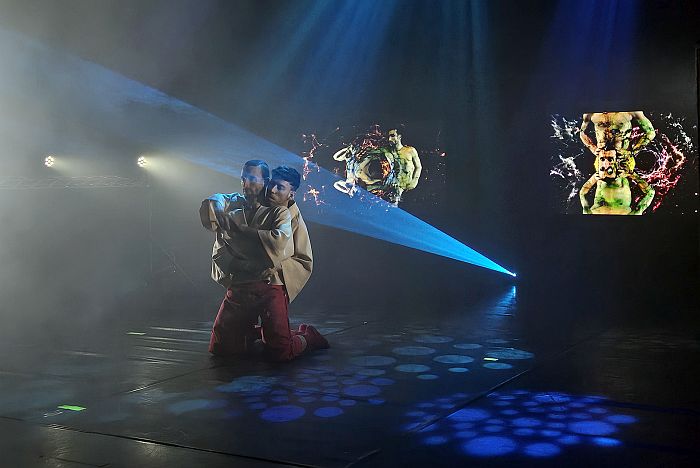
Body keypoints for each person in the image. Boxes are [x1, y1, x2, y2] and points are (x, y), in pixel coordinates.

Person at [199, 160, 327, 361]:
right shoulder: (237, 204)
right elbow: (220, 199)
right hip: (242, 282)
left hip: (271, 282)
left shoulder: (283, 211)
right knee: (221, 346)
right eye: (243, 178)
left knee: (280, 351)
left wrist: (241, 232)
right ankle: (252, 332)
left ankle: (306, 337)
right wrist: (216, 205)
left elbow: (282, 246)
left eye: (252, 179)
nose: (245, 184)